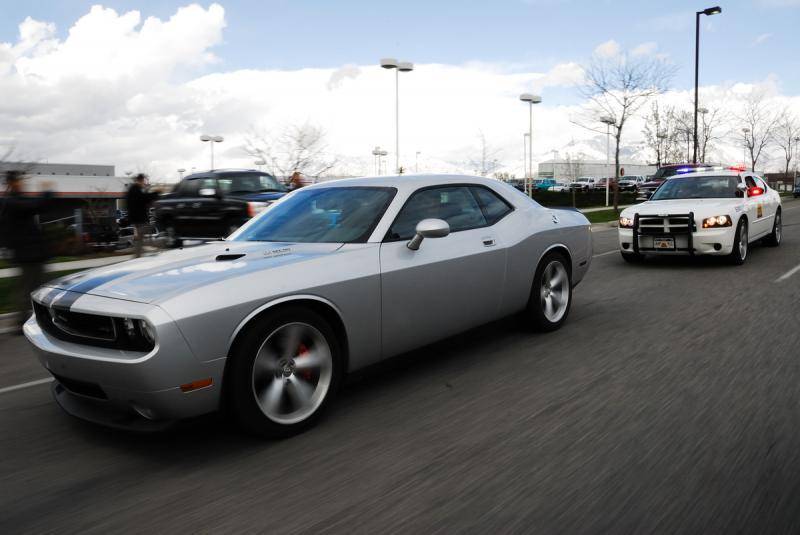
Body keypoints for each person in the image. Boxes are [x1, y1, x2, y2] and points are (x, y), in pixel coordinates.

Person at [0, 170, 55, 333]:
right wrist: (47, 193)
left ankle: (35, 319)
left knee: (36, 286)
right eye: (19, 180)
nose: (22, 182)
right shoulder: (12, 202)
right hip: (28, 252)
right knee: (30, 288)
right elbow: (36, 206)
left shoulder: (14, 200)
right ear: (11, 183)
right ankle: (22, 323)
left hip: (31, 252)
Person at [125, 173, 159, 258]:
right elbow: (143, 198)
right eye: (143, 181)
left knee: (140, 237)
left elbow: (143, 199)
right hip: (139, 218)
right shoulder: (135, 189)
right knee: (147, 228)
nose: (144, 183)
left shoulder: (133, 189)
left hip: (136, 217)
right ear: (141, 180)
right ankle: (138, 255)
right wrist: (156, 193)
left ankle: (138, 254)